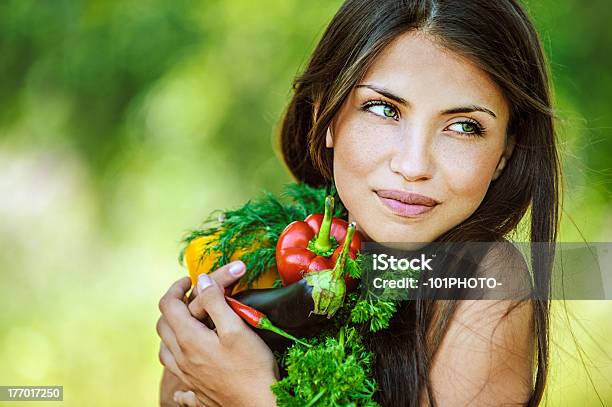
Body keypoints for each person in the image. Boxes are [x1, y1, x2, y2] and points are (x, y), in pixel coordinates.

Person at [156, 0, 559, 405]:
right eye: (384, 109)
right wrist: (191, 353)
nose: (413, 165)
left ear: (505, 150)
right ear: (324, 118)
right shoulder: (280, 246)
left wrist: (255, 396)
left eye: (463, 126)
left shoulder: (486, 276)